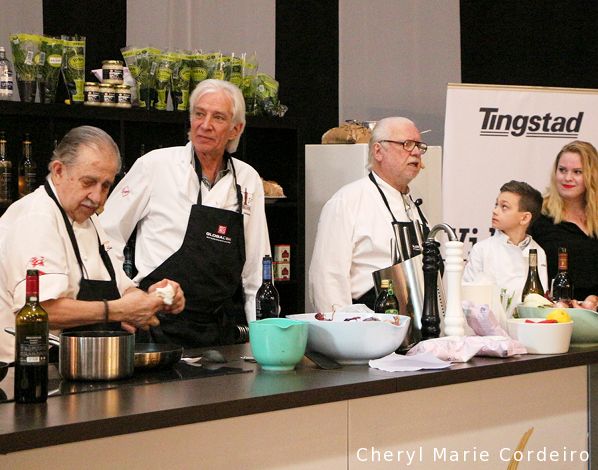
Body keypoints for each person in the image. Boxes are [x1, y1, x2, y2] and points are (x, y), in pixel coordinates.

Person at [100, 79, 270, 347]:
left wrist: (262, 337)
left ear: (236, 129)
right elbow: (105, 236)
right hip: (157, 325)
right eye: (199, 114)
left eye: (218, 117)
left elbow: (257, 268)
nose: (205, 124)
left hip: (219, 332)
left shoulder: (247, 179)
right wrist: (126, 295)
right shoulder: (155, 166)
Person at [0, 126, 185, 363]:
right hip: (28, 374)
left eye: (106, 186)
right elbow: (41, 311)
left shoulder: (89, 219)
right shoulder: (36, 217)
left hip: (80, 369)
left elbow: (121, 290)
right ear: (58, 171)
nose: (97, 197)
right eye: (89, 182)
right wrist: (120, 310)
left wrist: (153, 299)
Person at [309, 116, 429, 313]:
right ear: (378, 151)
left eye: (419, 145)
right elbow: (326, 279)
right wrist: (345, 332)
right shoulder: (348, 202)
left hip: (417, 329)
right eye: (406, 144)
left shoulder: (414, 205)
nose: (416, 152)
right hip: (367, 328)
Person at [529, 140, 598, 310]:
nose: (567, 178)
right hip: (554, 317)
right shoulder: (538, 217)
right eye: (562, 170)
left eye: (577, 172)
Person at [462, 180, 548, 310]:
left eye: (504, 207)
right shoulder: (481, 250)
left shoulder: (538, 252)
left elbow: (540, 303)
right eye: (496, 204)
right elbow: (468, 300)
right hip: (486, 328)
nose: (495, 211)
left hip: (527, 326)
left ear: (524, 218)